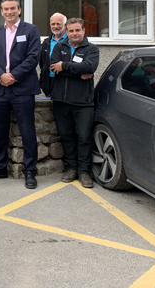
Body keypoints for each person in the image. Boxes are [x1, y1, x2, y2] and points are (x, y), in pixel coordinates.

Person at [0, 0, 41, 189]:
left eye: (13, 8)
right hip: (0, 88)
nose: (9, 12)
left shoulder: (31, 30)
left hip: (22, 88)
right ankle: (0, 167)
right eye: (6, 9)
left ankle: (30, 171)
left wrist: (13, 76)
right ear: (1, 12)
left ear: (19, 10)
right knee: (0, 130)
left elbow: (33, 58)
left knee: (27, 131)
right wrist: (2, 76)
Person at [50, 18, 100, 189]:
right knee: (66, 136)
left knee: (84, 138)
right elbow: (53, 68)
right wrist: (78, 73)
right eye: (71, 31)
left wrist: (64, 66)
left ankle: (84, 171)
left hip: (83, 103)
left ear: (84, 31)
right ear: (67, 31)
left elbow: (89, 67)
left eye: (77, 30)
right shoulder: (59, 47)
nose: (74, 34)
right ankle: (72, 168)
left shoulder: (92, 49)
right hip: (61, 101)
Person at [39, 13, 67, 97]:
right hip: (49, 81)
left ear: (65, 25)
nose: (55, 26)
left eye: (58, 23)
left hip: (65, 81)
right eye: (53, 24)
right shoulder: (46, 42)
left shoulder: (70, 41)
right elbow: (42, 63)